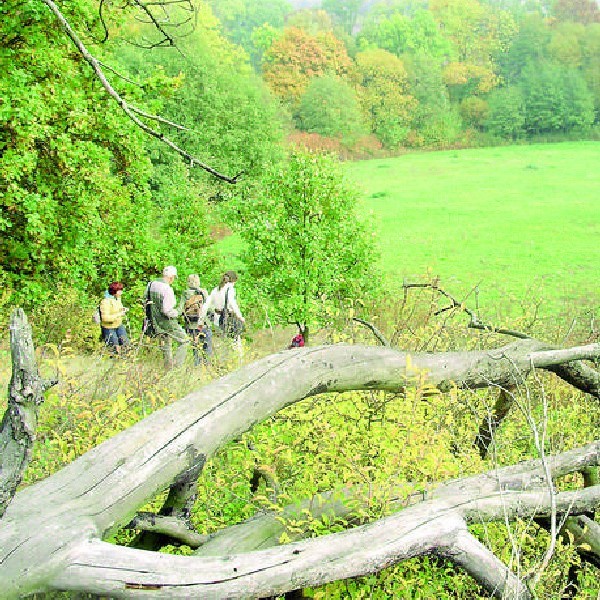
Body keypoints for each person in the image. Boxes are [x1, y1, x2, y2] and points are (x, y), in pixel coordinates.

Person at [146, 266, 189, 368]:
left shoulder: (151, 284)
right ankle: (177, 366)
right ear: (171, 277)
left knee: (166, 344)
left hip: (154, 319)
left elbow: (145, 300)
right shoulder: (167, 289)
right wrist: (178, 312)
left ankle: (167, 367)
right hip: (166, 321)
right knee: (184, 341)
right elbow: (167, 310)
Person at [204, 270, 245, 345]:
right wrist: (240, 316)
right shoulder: (230, 289)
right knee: (234, 340)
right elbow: (232, 303)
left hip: (217, 318)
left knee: (221, 340)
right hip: (227, 317)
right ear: (234, 280)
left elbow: (208, 303)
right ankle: (237, 356)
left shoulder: (216, 289)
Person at [179, 273, 212, 366]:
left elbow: (181, 309)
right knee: (207, 347)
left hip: (191, 325)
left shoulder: (185, 294)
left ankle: (196, 367)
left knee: (195, 348)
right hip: (204, 324)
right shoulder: (203, 292)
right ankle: (207, 367)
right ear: (198, 282)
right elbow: (209, 308)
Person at [99, 282, 129, 355]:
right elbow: (105, 318)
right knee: (114, 349)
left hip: (119, 325)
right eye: (119, 290)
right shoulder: (105, 302)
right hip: (109, 327)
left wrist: (123, 310)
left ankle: (126, 361)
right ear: (114, 291)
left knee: (126, 345)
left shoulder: (117, 299)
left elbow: (118, 309)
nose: (121, 292)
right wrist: (119, 314)